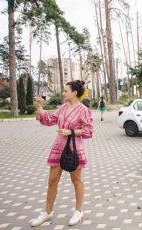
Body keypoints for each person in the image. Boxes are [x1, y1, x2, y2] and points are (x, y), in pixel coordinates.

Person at [30, 80, 93, 227]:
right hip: (58, 147)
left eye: (65, 91)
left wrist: (70, 132)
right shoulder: (63, 108)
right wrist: (40, 107)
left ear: (74, 93)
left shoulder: (84, 110)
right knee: (52, 180)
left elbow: (89, 131)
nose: (63, 93)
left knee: (76, 181)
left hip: (74, 148)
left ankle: (78, 211)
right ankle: (47, 212)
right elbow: (48, 120)